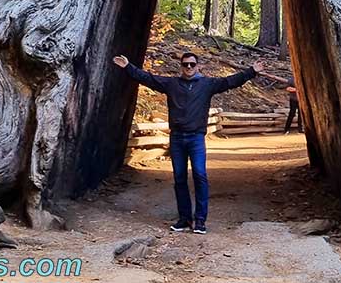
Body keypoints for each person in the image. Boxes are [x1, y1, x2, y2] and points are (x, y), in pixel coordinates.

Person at [113, 50, 265, 234]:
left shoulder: (207, 84)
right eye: (186, 65)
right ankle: (184, 219)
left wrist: (252, 71)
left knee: (200, 175)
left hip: (196, 138)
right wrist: (128, 67)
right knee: (179, 178)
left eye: (192, 64)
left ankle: (200, 220)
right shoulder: (172, 84)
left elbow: (229, 82)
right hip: (177, 137)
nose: (189, 68)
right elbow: (149, 79)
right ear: (181, 67)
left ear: (198, 66)